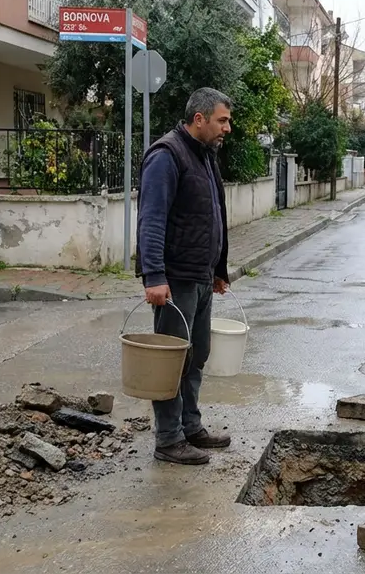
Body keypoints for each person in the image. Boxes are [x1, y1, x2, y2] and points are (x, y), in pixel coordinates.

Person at [136, 87, 233, 465]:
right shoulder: (166, 155)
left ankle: (191, 426)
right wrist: (154, 276)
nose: (227, 128)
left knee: (197, 355)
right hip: (174, 278)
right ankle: (168, 438)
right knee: (171, 361)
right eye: (222, 120)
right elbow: (152, 219)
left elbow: (212, 215)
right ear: (199, 119)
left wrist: (219, 269)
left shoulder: (205, 156)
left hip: (201, 275)